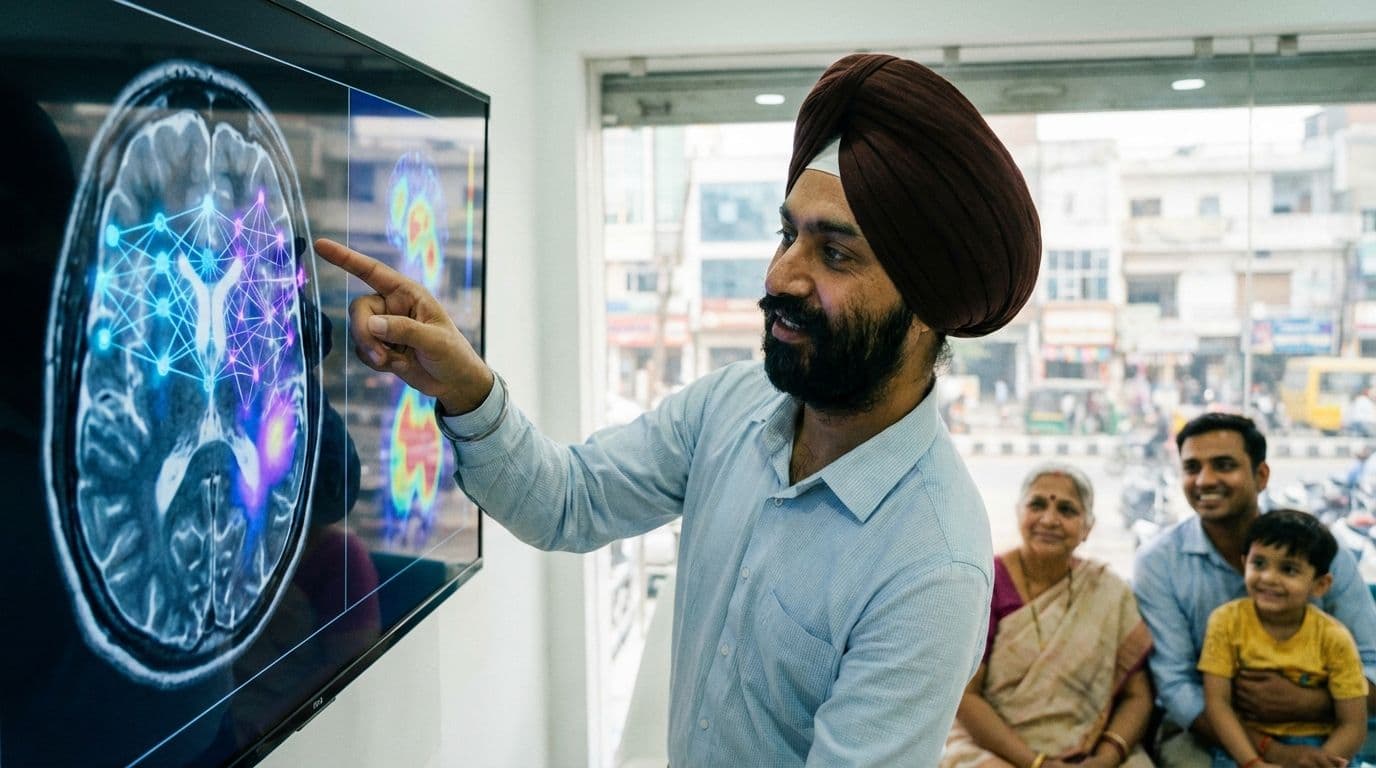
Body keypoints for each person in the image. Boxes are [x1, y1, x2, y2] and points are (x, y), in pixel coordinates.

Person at [316, 51, 1043, 766]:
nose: (781, 275)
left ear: (925, 309)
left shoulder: (932, 564)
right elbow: (567, 503)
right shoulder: (733, 405)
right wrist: (463, 386)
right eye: (788, 234)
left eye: (836, 255)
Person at [1133, 413, 1376, 768]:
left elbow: (1370, 661)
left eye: (1224, 465)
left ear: (1261, 476)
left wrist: (1312, 703)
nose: (1205, 480)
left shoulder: (1322, 549)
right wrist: (1271, 753)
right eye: (1191, 468)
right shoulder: (1159, 563)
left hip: (1327, 723)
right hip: (1210, 730)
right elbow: (1178, 687)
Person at [943, 463, 1155, 768]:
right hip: (994, 746)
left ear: (1087, 528)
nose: (1049, 519)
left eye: (1067, 510)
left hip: (1091, 750)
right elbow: (966, 696)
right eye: (1037, 505)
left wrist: (1107, 758)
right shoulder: (987, 584)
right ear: (1019, 513)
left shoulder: (1106, 590)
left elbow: (1139, 696)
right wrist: (1038, 763)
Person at [1200, 509, 1368, 768]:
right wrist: (1252, 762)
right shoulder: (1226, 623)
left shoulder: (1334, 638)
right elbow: (1217, 704)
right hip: (1246, 745)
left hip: (1322, 745)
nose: (1268, 578)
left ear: (1320, 584)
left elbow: (1353, 724)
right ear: (1244, 562)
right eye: (1259, 564)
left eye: (1288, 569)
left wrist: (1317, 762)